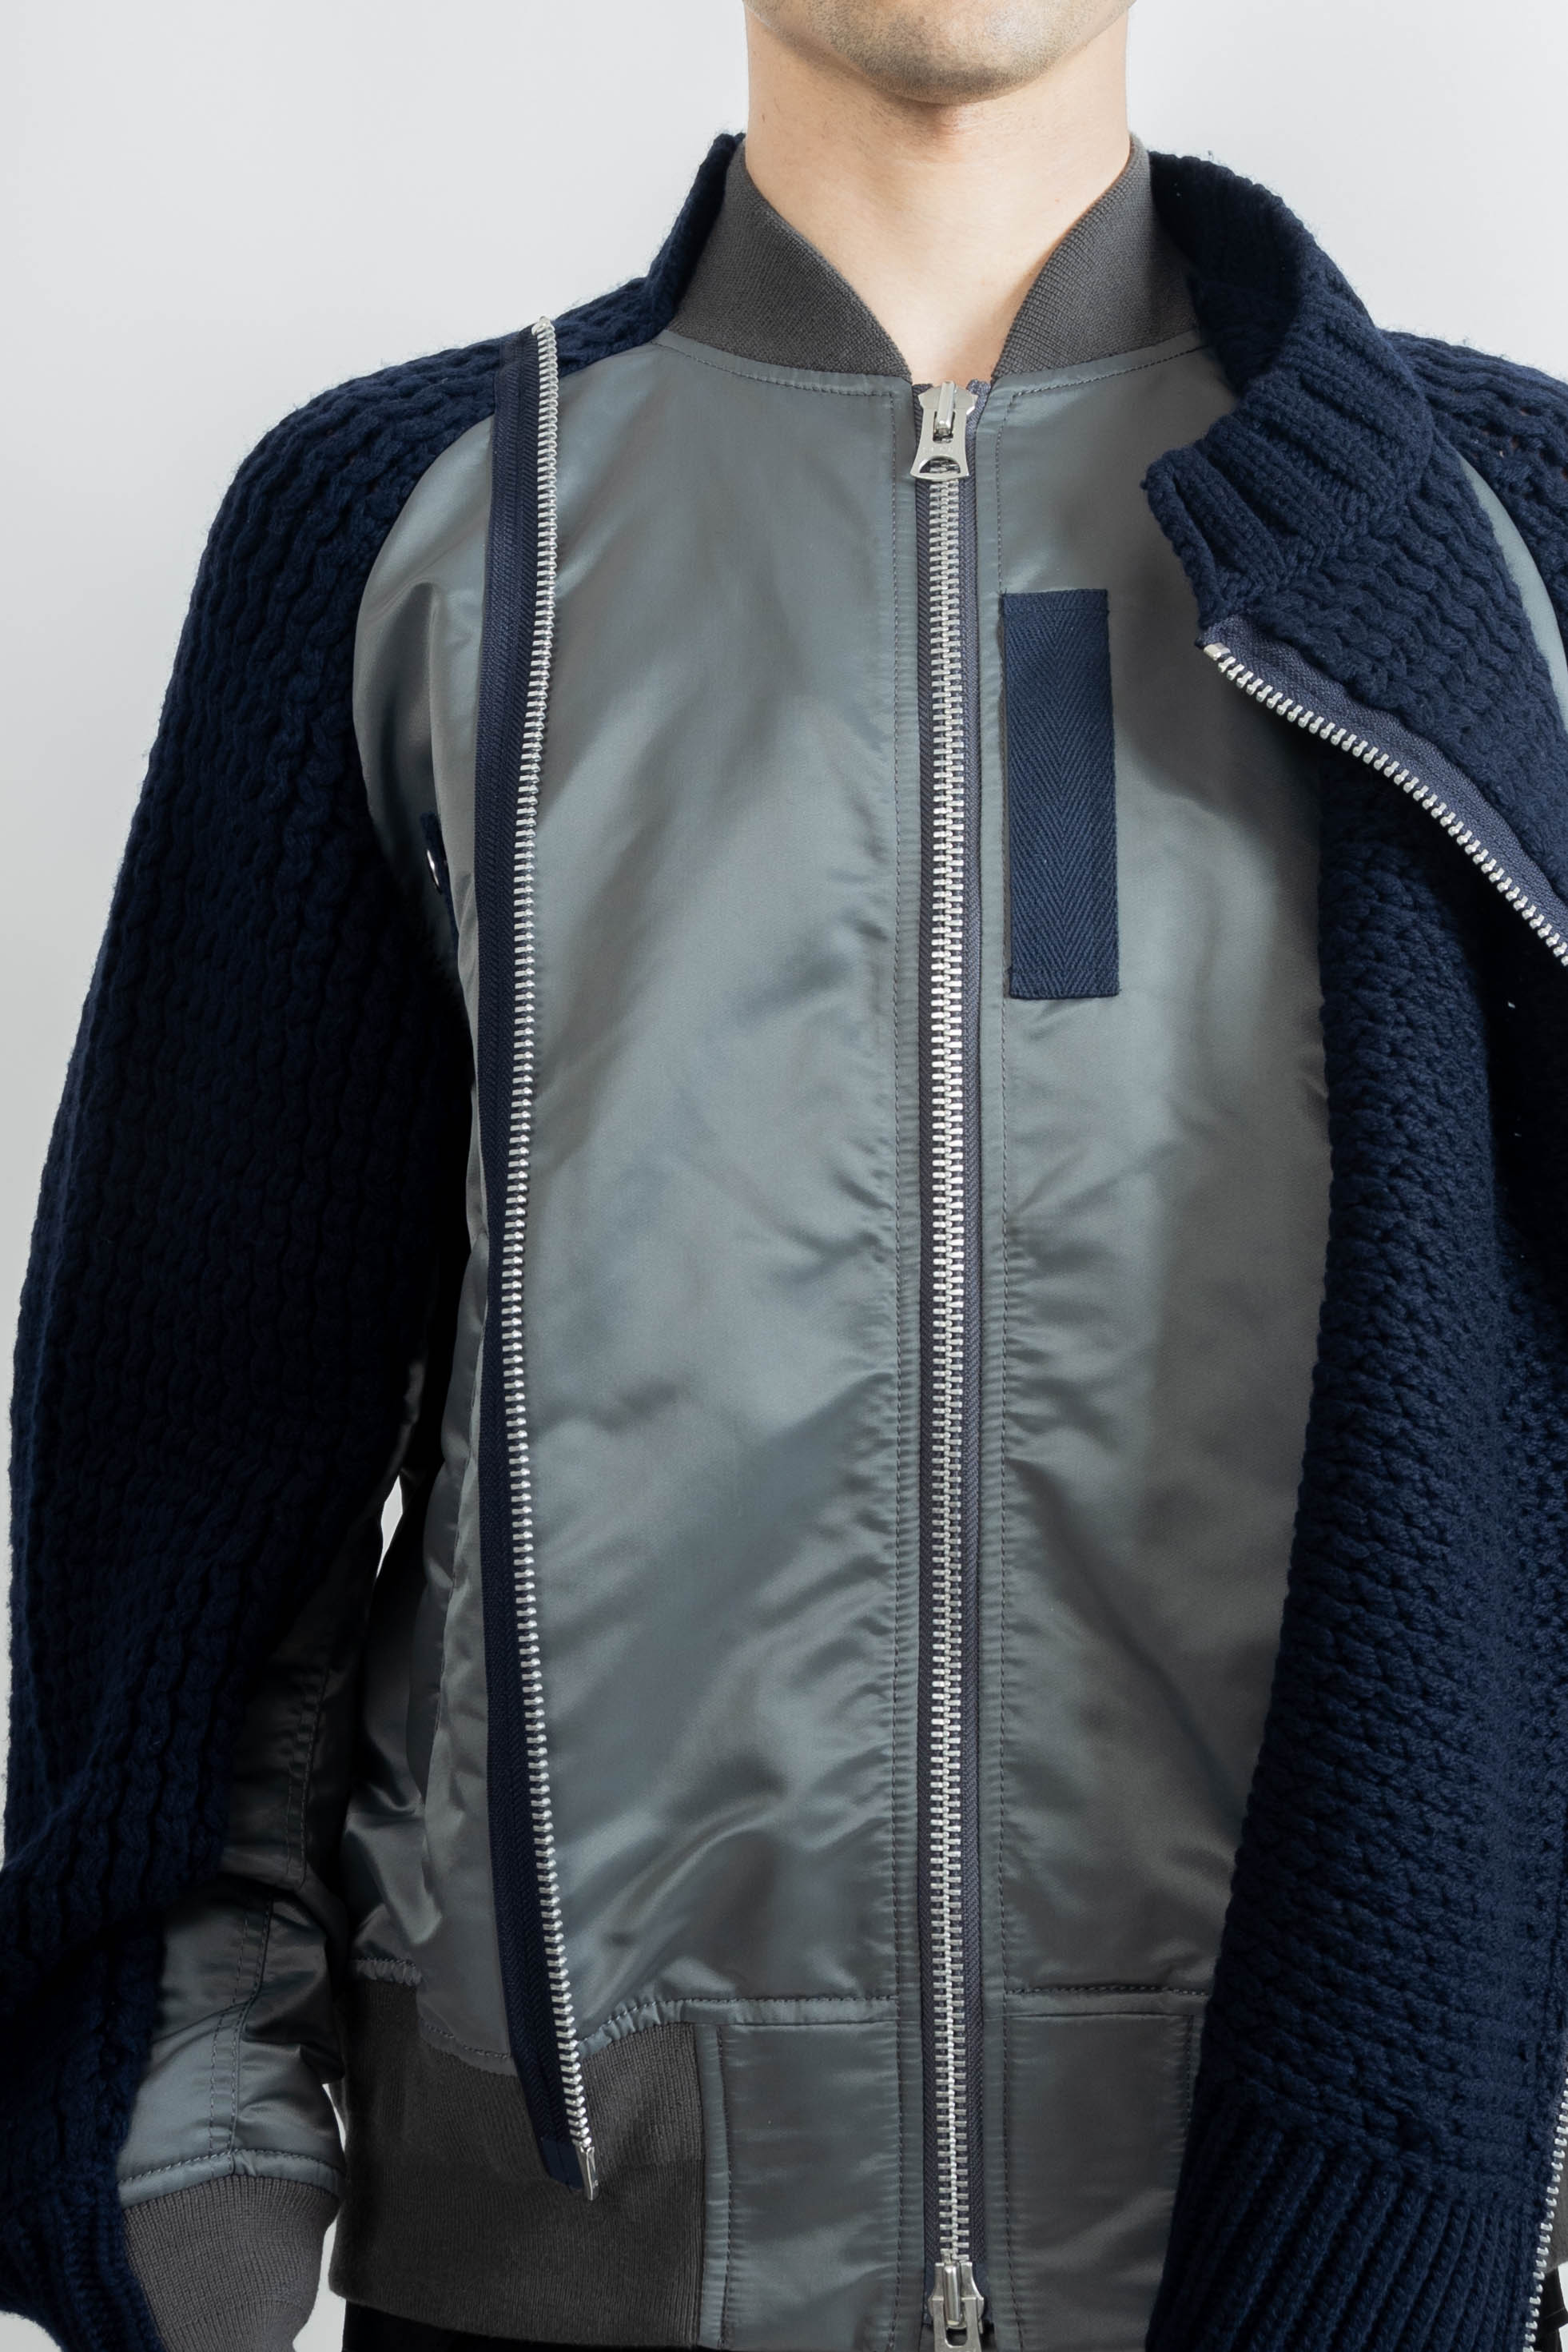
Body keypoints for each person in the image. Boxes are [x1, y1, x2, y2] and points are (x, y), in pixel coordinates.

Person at [6, 2, 1568, 2348]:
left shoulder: (1488, 536)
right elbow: (197, 1456)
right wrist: (189, 2179)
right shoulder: (416, 526)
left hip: (1323, 2244)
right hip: (563, 2263)